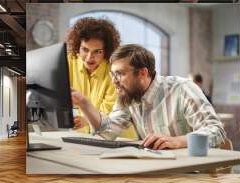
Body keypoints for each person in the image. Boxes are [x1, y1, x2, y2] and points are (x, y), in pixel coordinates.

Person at [72, 44, 226, 150]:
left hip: (192, 174)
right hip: (157, 171)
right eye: (113, 74)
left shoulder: (182, 88)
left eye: (120, 74)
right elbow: (107, 132)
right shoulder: (128, 96)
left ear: (143, 73)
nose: (114, 81)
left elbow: (216, 131)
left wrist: (178, 141)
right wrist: (83, 102)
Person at [66, 17, 137, 139]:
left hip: (119, 138)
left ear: (106, 51)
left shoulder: (115, 69)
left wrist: (87, 119)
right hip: (84, 136)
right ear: (78, 47)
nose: (89, 58)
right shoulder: (69, 61)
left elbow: (111, 109)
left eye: (97, 51)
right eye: (85, 49)